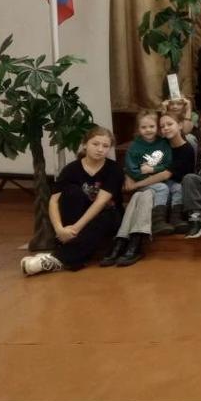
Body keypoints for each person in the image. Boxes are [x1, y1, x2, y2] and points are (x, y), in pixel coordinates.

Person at [21, 126, 124, 276]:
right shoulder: (71, 169)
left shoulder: (114, 169)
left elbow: (100, 203)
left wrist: (75, 229)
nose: (100, 149)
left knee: (107, 215)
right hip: (76, 217)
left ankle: (57, 259)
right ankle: (70, 255)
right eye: (95, 144)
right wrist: (60, 230)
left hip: (105, 216)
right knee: (71, 192)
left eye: (105, 146)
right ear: (85, 144)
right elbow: (54, 202)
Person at [122, 109, 173, 238]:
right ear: (138, 129)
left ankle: (163, 216)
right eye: (143, 127)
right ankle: (157, 221)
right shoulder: (134, 146)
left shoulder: (163, 143)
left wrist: (153, 170)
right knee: (162, 188)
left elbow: (168, 164)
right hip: (142, 181)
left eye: (151, 126)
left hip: (160, 178)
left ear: (157, 127)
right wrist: (145, 177)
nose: (148, 130)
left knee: (172, 188)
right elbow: (131, 169)